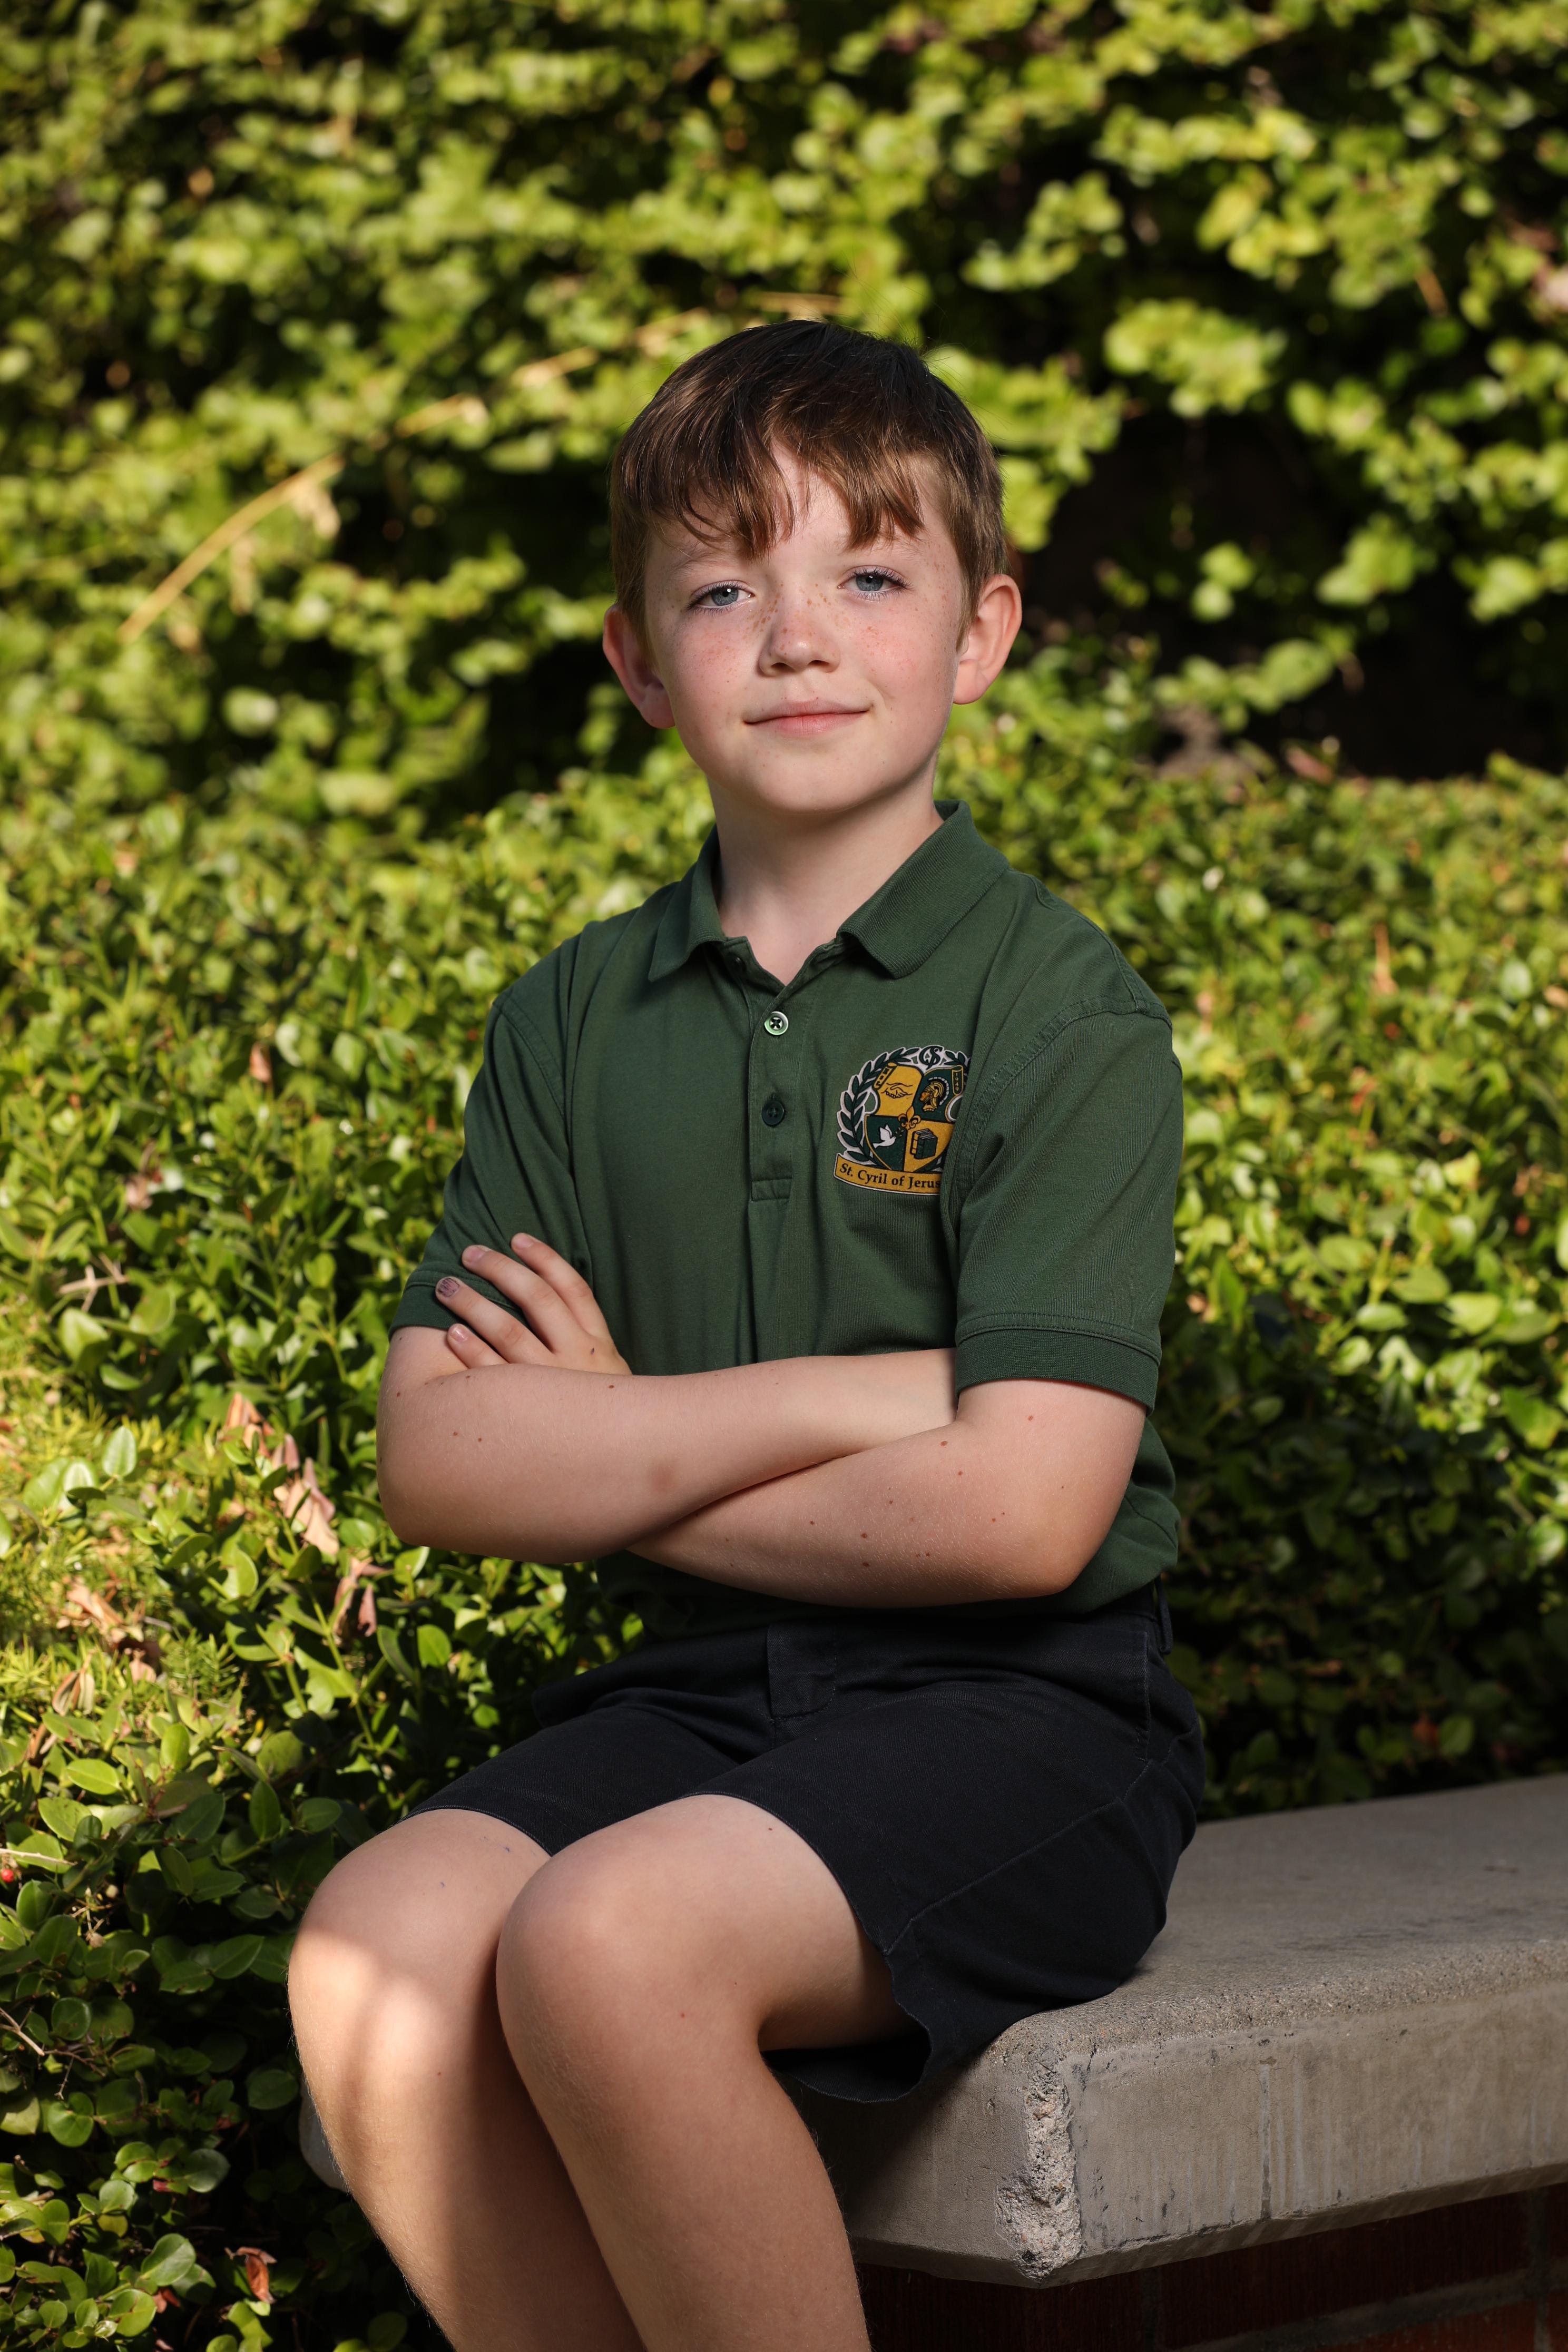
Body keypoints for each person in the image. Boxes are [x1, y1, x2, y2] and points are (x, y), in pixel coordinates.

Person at [288, 320, 1204, 2352]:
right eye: (723, 591)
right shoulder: (572, 1019)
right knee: (377, 1944)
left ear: (980, 633)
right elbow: (441, 1463)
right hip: (700, 1704)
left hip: (1030, 1720)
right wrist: (852, 1403)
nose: (796, 638)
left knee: (610, 1943)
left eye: (868, 575)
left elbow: (1024, 1518)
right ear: (639, 661)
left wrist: (617, 1452)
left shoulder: (1058, 1010)